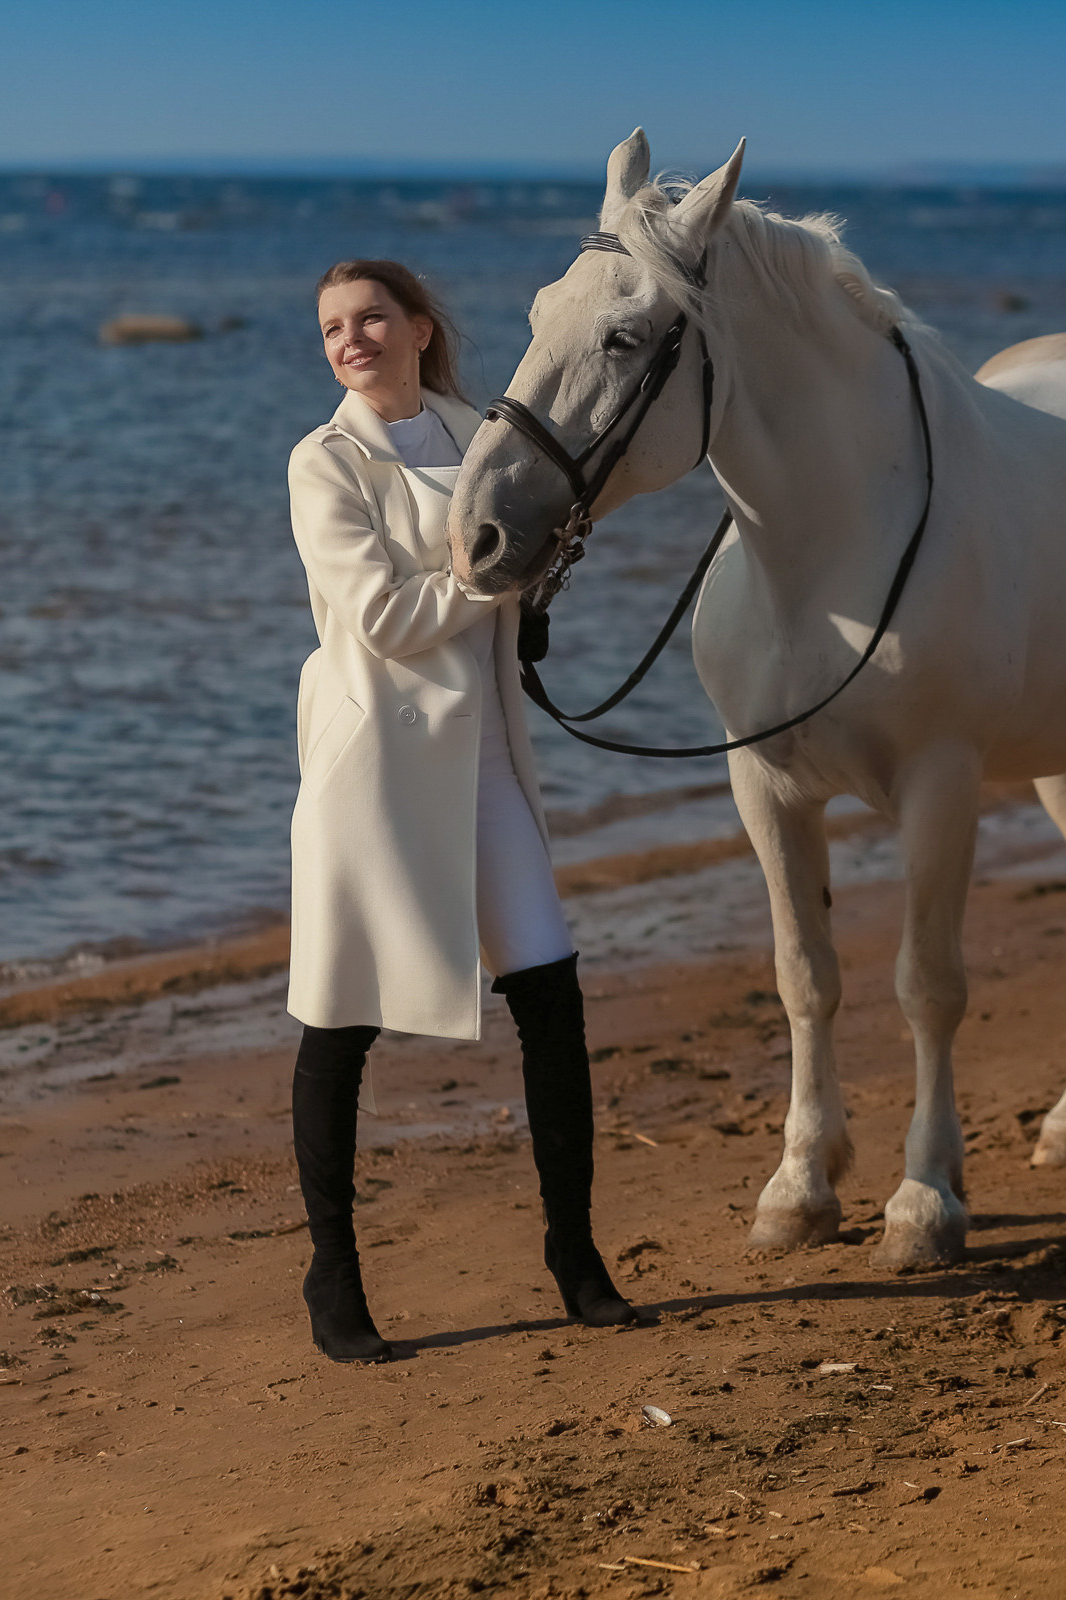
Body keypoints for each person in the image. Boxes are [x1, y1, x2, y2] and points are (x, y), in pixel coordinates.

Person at [284, 259, 636, 1363]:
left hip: (485, 753)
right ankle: (333, 1275)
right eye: (334, 326)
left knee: (550, 992)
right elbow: (384, 616)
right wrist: (497, 571)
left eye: (371, 318)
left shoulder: (486, 430)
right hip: (375, 773)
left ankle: (574, 1253)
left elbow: (533, 543)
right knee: (341, 1019)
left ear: (419, 328)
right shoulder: (322, 460)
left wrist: (528, 573)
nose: (352, 338)